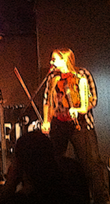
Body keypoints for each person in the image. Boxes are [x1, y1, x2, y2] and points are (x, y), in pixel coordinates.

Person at [40, 48, 109, 203]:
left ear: (65, 60)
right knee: (55, 162)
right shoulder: (52, 77)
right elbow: (47, 101)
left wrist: (79, 110)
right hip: (59, 123)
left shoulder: (83, 75)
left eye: (55, 59)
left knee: (91, 164)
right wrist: (46, 120)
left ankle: (100, 199)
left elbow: (93, 99)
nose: (52, 63)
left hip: (81, 124)